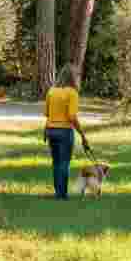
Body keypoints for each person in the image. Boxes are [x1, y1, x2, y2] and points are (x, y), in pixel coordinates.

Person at [44, 64, 89, 199]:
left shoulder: (51, 91)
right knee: (64, 163)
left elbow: (47, 114)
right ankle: (62, 195)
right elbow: (71, 117)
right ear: (72, 77)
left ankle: (58, 192)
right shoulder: (72, 93)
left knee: (56, 162)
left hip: (51, 130)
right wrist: (82, 135)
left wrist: (45, 130)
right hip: (64, 131)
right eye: (77, 76)